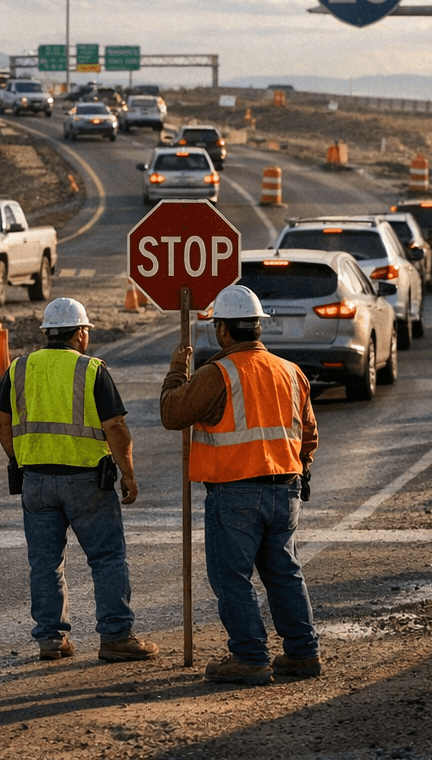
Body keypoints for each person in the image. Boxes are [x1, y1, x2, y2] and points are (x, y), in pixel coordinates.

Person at [160, 285, 322, 685]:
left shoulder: (218, 373)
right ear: (258, 328)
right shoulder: (290, 372)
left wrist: (177, 371)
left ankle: (250, 657)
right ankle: (303, 654)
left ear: (224, 331)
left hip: (235, 492)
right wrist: (299, 470)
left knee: (231, 578)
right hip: (286, 489)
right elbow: (309, 434)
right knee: (284, 572)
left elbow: (172, 413)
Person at [0, 297, 160, 664]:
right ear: (81, 333)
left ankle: (51, 640)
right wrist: (128, 474)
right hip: (87, 483)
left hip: (35, 480)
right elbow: (115, 426)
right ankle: (116, 636)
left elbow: (2, 422)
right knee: (107, 559)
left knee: (45, 564)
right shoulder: (91, 369)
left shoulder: (20, 367)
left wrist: (19, 460)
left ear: (47, 333)